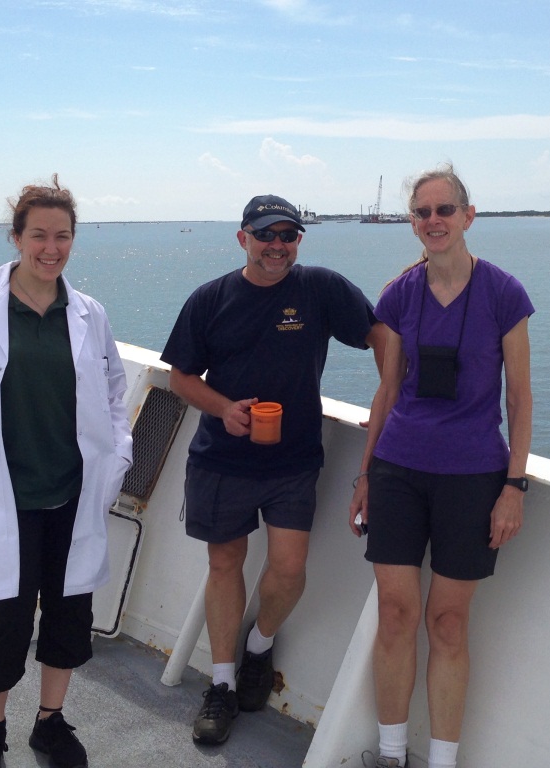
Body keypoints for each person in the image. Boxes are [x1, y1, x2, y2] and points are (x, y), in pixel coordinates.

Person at [0, 175, 133, 768]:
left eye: (62, 236)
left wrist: (118, 454)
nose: (51, 247)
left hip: (73, 491)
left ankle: (50, 721)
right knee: (6, 619)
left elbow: (114, 392)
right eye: (38, 234)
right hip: (10, 495)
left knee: (69, 612)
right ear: (16, 237)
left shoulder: (88, 312)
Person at [161, 194, 385, 745]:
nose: (278, 245)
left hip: (293, 460)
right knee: (225, 564)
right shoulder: (210, 299)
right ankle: (220, 683)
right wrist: (225, 409)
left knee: (288, 568)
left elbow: (381, 333)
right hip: (222, 458)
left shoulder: (320, 289)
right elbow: (181, 378)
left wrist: (395, 398)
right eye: (267, 235)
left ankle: (259, 646)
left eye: (289, 235)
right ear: (244, 239)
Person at [349, 164, 534, 768]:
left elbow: (520, 399)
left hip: (474, 476)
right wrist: (366, 474)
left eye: (444, 210)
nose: (433, 221)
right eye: (422, 213)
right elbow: (388, 390)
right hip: (400, 470)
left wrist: (514, 486)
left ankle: (443, 761)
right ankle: (393, 754)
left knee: (448, 623)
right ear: (413, 224)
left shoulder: (503, 294)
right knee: (397, 614)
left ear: (467, 216)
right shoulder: (401, 293)